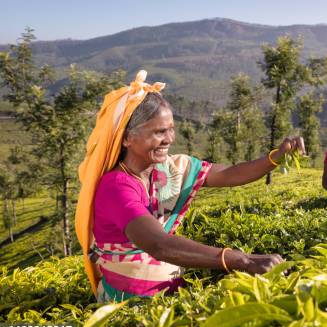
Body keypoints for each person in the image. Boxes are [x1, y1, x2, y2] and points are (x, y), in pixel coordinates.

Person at [75, 71, 302, 302]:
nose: (169, 138)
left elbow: (228, 173)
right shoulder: (116, 186)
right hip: (128, 303)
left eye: (171, 129)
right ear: (126, 138)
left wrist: (276, 157)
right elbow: (158, 244)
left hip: (169, 292)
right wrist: (242, 260)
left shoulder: (171, 168)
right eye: (159, 132)